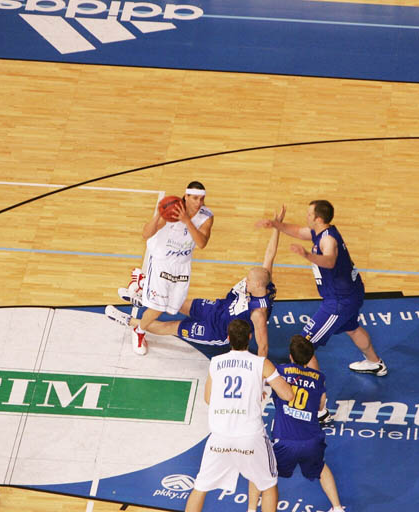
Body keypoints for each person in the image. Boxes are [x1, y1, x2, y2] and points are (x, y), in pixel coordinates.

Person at [106, 207, 284, 357]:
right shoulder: (265, 280)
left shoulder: (258, 314)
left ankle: (129, 321)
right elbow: (270, 254)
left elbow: (263, 347)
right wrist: (277, 227)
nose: (246, 281)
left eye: (249, 280)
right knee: (175, 302)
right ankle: (146, 293)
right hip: (216, 308)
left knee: (172, 326)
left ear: (258, 285)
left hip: (216, 329)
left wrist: (259, 377)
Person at [257, 200, 387, 375]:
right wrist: (275, 224)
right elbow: (298, 231)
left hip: (339, 301)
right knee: (352, 328)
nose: (306, 216)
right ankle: (375, 363)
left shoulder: (328, 240)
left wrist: (307, 255)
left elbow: (330, 260)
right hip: (351, 293)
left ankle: (311, 386)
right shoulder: (322, 231)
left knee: (302, 344)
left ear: (318, 219)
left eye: (309, 214)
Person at [185, 319, 294, 512]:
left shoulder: (216, 362)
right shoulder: (261, 363)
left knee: (200, 488)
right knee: (268, 485)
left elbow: (209, 398)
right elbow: (287, 395)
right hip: (250, 436)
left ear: (228, 338)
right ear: (250, 337)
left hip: (219, 437)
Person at [247, 335, 345, 512]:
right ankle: (337, 508)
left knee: (260, 469)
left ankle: (252, 509)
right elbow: (321, 406)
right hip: (312, 440)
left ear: (290, 356)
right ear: (310, 357)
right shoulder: (319, 378)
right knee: (321, 468)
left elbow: (260, 373)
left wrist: (259, 387)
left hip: (285, 441)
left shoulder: (281, 371)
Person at [121, 181, 215, 355]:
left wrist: (187, 221)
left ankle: (143, 283)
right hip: (161, 261)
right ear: (186, 196)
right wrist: (158, 215)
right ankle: (139, 330)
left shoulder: (206, 216)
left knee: (173, 308)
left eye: (201, 199)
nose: (199, 202)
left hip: (182, 265)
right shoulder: (171, 210)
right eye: (195, 198)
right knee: (158, 308)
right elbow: (145, 234)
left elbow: (202, 243)